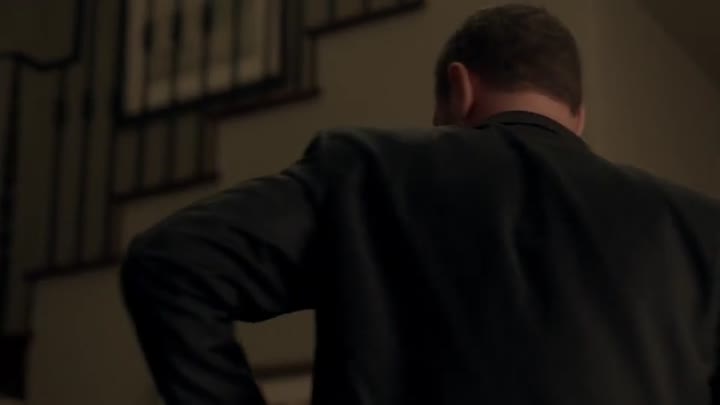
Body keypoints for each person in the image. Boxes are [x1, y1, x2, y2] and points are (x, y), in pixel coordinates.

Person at [121, 4, 720, 405]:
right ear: (578, 117)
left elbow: (172, 261)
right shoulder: (702, 230)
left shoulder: (366, 171)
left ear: (460, 88)